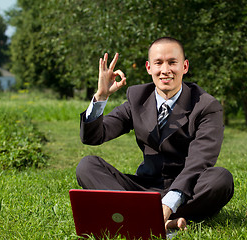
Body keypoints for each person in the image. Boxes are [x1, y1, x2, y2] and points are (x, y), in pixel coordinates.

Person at [76, 37, 234, 230]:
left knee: (221, 179)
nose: (165, 70)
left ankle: (139, 217)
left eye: (172, 62)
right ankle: (161, 221)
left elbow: (200, 160)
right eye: (158, 63)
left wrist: (168, 203)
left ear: (184, 66)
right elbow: (94, 137)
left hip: (188, 189)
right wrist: (101, 97)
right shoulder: (138, 98)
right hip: (143, 188)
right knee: (87, 165)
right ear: (149, 68)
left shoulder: (206, 106)